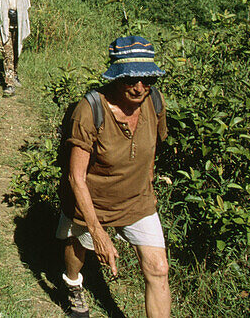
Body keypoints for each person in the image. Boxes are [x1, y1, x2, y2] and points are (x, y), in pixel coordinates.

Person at [57, 36, 171, 318]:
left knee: (158, 268)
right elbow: (75, 176)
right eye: (130, 79)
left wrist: (148, 185)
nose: (139, 87)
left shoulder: (153, 102)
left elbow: (154, 145)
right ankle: (73, 286)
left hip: (137, 200)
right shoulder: (90, 110)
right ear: (116, 77)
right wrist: (97, 231)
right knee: (77, 254)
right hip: (91, 200)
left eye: (147, 80)